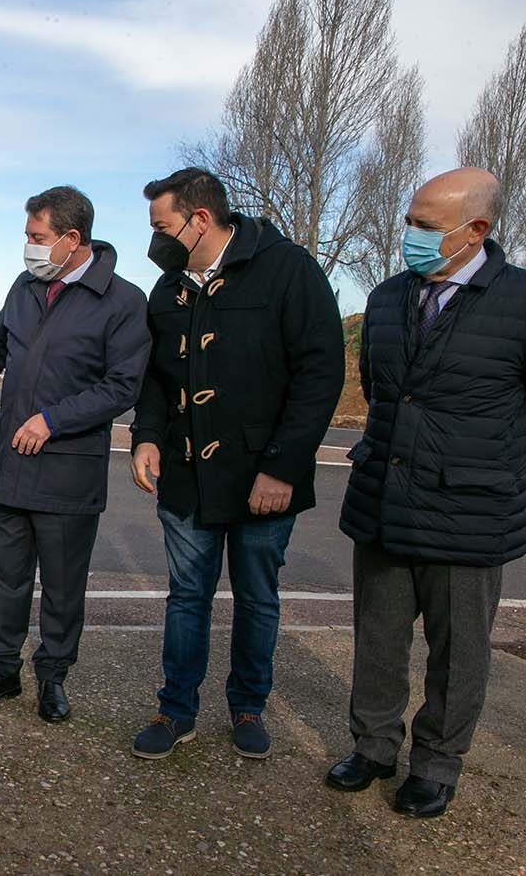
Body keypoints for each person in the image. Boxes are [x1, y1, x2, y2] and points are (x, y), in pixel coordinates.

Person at [129, 167, 343, 760]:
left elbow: (321, 373)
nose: (156, 239)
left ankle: (248, 706)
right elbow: (155, 375)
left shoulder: (287, 269)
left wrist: (283, 467)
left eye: (162, 225)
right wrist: (146, 436)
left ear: (200, 220)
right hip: (186, 474)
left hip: (263, 477)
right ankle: (176, 711)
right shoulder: (168, 288)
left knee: (257, 597)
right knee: (186, 597)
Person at [329, 168, 521, 818]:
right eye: (408, 220)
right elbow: (381, 389)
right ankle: (372, 745)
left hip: (469, 511)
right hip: (383, 499)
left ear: (475, 230)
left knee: (458, 651)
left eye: (424, 226)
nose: (408, 234)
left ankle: (435, 763)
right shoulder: (385, 299)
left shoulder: (517, 301)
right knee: (377, 640)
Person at [0, 186, 150, 723]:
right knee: (6, 579)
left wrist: (53, 420)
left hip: (68, 473)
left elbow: (122, 386)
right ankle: (1, 670)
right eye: (28, 236)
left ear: (73, 240)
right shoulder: (25, 287)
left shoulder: (122, 302)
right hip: (9, 468)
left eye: (37, 237)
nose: (28, 247)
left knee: (63, 585)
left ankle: (52, 676)